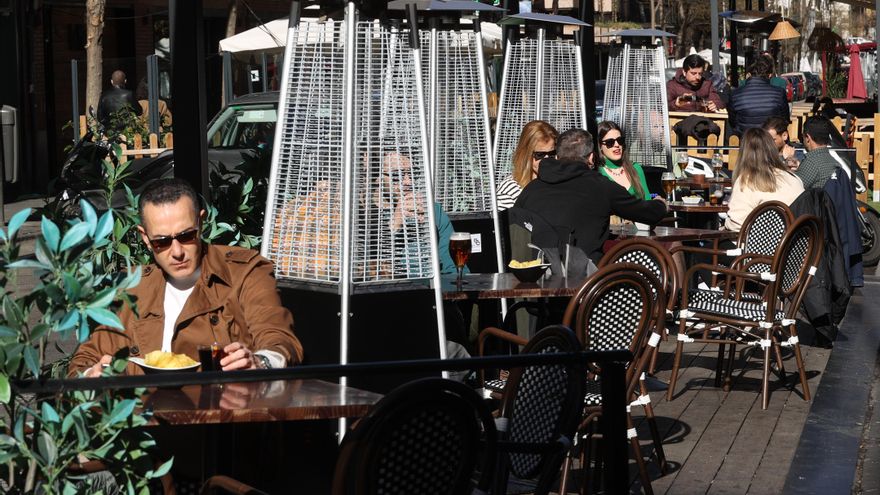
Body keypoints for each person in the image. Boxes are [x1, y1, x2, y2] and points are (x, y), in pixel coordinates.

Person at [71, 178, 303, 377]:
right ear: (145, 238)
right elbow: (85, 361)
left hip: (222, 416)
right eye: (161, 241)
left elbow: (280, 340)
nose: (177, 251)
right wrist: (91, 375)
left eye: (186, 236)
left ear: (200, 224)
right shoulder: (131, 287)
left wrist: (260, 362)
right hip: (146, 420)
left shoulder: (244, 272)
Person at [514, 129, 667, 264]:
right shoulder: (601, 186)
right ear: (591, 158)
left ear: (557, 157)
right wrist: (660, 204)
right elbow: (647, 213)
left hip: (537, 279)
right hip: (587, 284)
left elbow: (516, 228)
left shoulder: (531, 189)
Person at [725, 128, 804, 231]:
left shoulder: (747, 180)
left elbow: (737, 224)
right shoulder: (795, 178)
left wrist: (725, 223)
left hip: (760, 244)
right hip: (795, 242)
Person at [495, 120, 559, 211]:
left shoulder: (562, 183)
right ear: (525, 154)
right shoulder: (510, 191)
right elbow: (503, 224)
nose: (546, 160)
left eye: (552, 153)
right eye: (539, 155)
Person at [728, 57, 789, 136]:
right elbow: (785, 120)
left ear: (749, 74)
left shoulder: (735, 94)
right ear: (770, 75)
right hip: (771, 143)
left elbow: (733, 122)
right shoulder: (779, 93)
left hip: (746, 141)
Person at [596, 121, 651, 199]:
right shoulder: (597, 173)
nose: (617, 145)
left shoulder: (635, 168)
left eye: (620, 140)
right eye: (610, 142)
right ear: (600, 146)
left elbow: (647, 201)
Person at [796, 116, 845, 190]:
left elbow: (793, 189)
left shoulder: (811, 162)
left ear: (807, 138)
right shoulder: (833, 161)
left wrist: (787, 160)